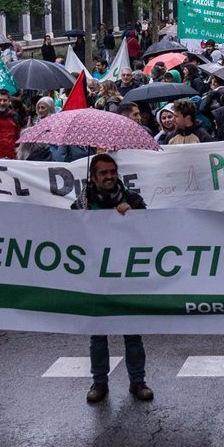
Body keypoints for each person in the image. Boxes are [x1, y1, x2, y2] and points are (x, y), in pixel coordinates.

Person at [72, 154, 153, 404]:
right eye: (103, 173)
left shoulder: (133, 200)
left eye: (112, 172)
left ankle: (137, 382)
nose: (109, 177)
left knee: (132, 333)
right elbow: (71, 236)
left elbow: (150, 232)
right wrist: (83, 218)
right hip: (96, 279)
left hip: (127, 277)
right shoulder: (82, 204)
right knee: (98, 334)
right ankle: (99, 382)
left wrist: (132, 216)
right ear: (93, 177)